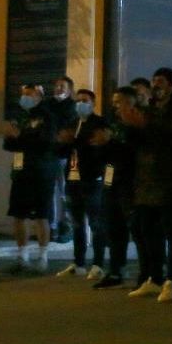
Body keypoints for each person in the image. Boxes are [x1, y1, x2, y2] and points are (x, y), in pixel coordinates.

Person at [126, 67, 172, 301]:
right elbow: (137, 141)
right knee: (147, 229)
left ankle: (171, 279)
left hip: (170, 179)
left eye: (160, 81)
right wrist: (131, 125)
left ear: (171, 85)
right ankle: (154, 277)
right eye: (153, 81)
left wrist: (144, 125)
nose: (156, 85)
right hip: (145, 179)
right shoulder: (148, 108)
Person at [2, 85, 60, 273]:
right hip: (21, 169)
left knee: (42, 215)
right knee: (19, 214)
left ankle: (43, 256)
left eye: (29, 94)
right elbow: (10, 145)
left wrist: (20, 136)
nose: (24, 97)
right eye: (23, 94)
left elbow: (46, 143)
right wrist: (11, 137)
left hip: (42, 170)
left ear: (39, 96)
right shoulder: (20, 116)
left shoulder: (47, 116)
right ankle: (22, 255)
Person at [54, 89, 110, 280]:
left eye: (84, 100)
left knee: (95, 222)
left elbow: (96, 149)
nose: (80, 104)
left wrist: (74, 140)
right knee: (77, 222)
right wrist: (62, 143)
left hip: (92, 179)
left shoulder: (99, 123)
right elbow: (61, 151)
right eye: (77, 101)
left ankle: (98, 263)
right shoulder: (72, 123)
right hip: (72, 178)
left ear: (93, 103)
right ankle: (78, 263)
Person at [92, 86, 139, 290]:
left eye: (119, 102)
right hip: (111, 181)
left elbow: (131, 154)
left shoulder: (136, 126)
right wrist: (102, 145)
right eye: (114, 102)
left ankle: (151, 271)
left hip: (130, 183)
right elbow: (104, 153)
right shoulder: (113, 124)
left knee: (137, 229)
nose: (115, 105)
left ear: (131, 103)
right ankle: (115, 270)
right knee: (113, 227)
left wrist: (109, 143)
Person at [48, 76, 79, 243]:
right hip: (51, 155)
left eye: (62, 86)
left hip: (65, 156)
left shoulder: (72, 107)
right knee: (52, 192)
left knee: (64, 192)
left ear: (69, 90)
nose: (58, 88)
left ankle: (65, 225)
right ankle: (52, 226)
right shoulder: (49, 105)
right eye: (57, 85)